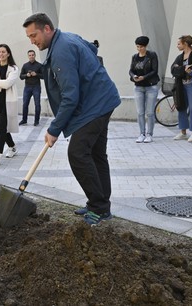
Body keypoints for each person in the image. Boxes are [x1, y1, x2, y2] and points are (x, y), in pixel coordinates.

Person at [23, 13, 121, 226]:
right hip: (102, 100)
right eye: (29, 37)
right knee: (96, 154)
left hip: (95, 106)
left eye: (34, 35)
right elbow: (92, 48)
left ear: (47, 28)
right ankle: (100, 203)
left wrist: (54, 128)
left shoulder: (61, 50)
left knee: (77, 153)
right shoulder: (67, 38)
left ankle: (99, 207)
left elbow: (70, 95)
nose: (32, 41)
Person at [129, 36, 160, 143]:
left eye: (141, 47)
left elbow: (155, 70)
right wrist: (134, 76)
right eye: (137, 47)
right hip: (138, 87)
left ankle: (149, 134)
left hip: (151, 86)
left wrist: (144, 77)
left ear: (145, 46)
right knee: (140, 112)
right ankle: (141, 133)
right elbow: (131, 70)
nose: (139, 49)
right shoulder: (134, 57)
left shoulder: (152, 55)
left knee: (150, 112)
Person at [169, 35, 192, 141]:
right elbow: (173, 69)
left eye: (179, 44)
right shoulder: (179, 57)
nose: (177, 46)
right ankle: (183, 131)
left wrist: (180, 69)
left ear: (185, 44)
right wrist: (183, 69)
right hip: (181, 85)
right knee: (181, 106)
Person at [18, 49, 43, 126]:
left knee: (37, 104)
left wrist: (36, 74)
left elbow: (44, 76)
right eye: (30, 55)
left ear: (35, 55)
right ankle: (24, 120)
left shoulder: (39, 65)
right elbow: (21, 76)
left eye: (33, 55)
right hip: (27, 87)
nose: (31, 56)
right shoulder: (25, 65)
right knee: (25, 104)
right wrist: (26, 75)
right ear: (28, 56)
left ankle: (36, 121)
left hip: (36, 87)